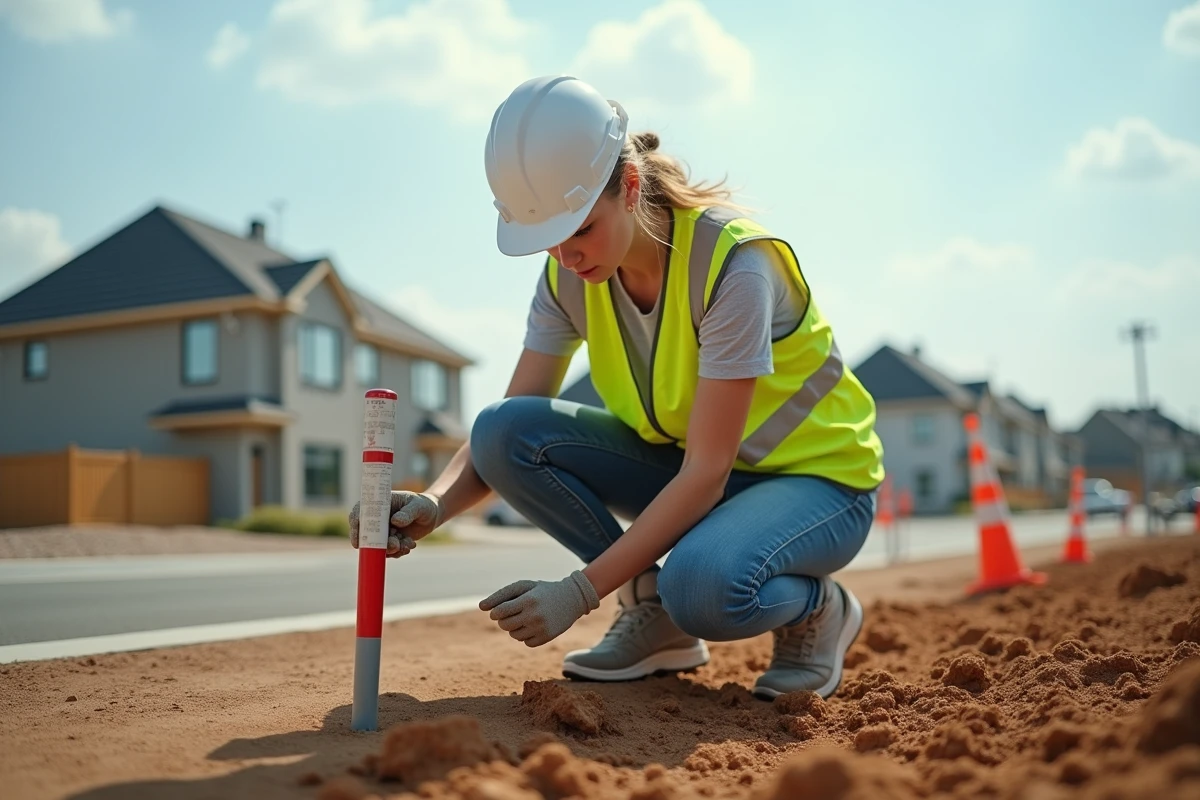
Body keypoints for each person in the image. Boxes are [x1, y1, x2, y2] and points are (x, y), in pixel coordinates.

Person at [348, 75, 884, 700]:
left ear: (629, 187)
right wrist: (434, 504)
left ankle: (820, 610)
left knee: (702, 589)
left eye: (580, 229)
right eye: (548, 239)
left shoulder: (736, 268)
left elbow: (705, 475)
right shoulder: (567, 275)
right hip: (701, 474)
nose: (566, 256)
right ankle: (654, 621)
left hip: (818, 485)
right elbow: (507, 425)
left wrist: (579, 591)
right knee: (505, 427)